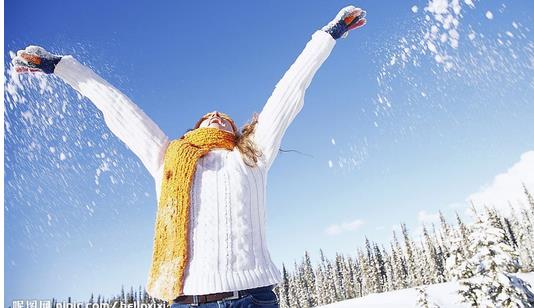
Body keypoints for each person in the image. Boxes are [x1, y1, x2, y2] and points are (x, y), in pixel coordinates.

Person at [13, 5, 366, 308]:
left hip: (252, 297)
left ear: (235, 131)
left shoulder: (251, 154)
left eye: (223, 117)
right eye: (207, 116)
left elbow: (290, 90)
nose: (215, 114)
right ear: (192, 131)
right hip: (186, 301)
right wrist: (61, 67)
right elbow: (118, 109)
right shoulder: (169, 159)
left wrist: (328, 35)